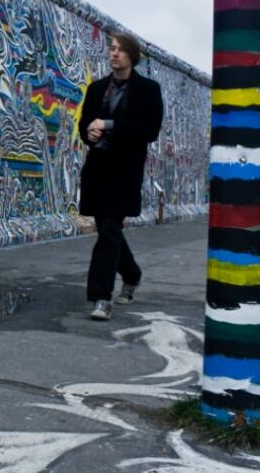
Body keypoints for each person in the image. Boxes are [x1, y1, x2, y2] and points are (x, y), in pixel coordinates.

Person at [77, 32, 164, 320]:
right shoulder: (96, 88)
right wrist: (89, 132)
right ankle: (132, 273)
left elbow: (149, 129)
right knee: (107, 229)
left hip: (124, 172)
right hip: (98, 169)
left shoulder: (148, 90)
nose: (114, 53)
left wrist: (110, 124)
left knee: (110, 230)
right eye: (112, 49)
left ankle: (101, 297)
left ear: (132, 56)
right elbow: (85, 125)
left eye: (120, 50)